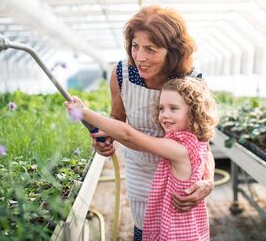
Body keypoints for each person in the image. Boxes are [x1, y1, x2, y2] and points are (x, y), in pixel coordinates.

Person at [90, 5, 215, 239]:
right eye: (135, 46)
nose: (140, 57)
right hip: (141, 172)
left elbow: (202, 141)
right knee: (145, 230)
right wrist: (105, 141)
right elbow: (117, 118)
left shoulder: (191, 81)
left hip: (181, 179)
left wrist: (207, 180)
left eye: (151, 49)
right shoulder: (122, 74)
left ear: (173, 52)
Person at [65, 77, 218, 240]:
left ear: (194, 113)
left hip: (176, 233)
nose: (165, 115)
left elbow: (128, 135)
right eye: (161, 108)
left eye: (173, 108)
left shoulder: (179, 149)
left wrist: (85, 113)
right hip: (188, 227)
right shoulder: (196, 141)